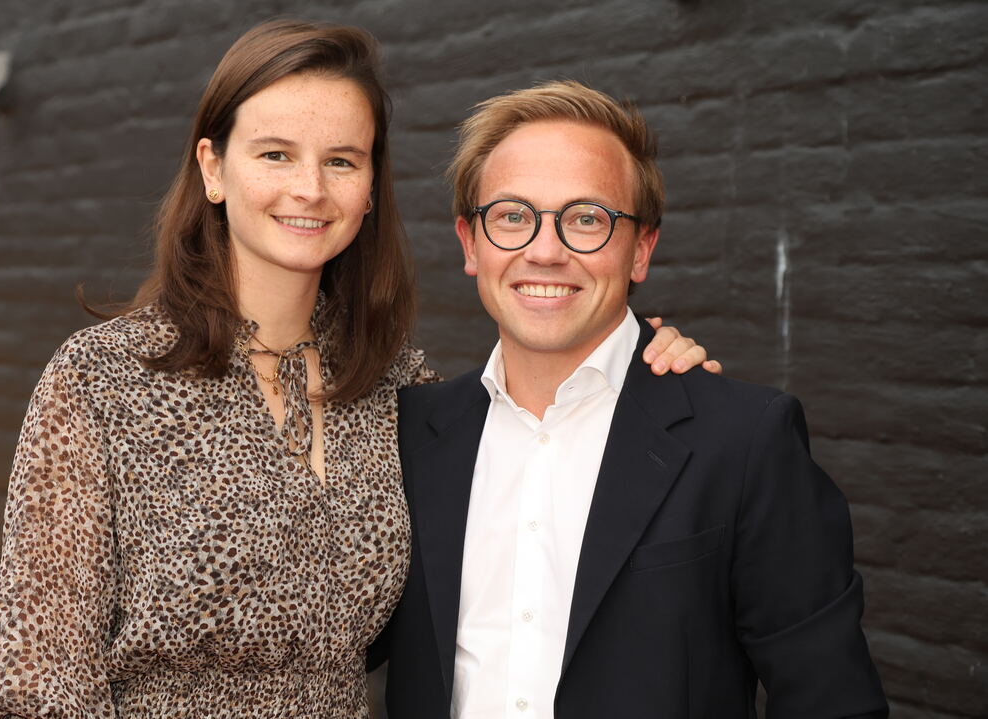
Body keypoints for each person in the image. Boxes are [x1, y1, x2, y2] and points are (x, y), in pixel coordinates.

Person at [0, 22, 714, 718]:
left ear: (369, 190)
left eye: (341, 161)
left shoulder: (399, 387)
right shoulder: (105, 379)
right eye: (275, 154)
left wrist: (641, 364)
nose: (310, 189)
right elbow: (30, 680)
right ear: (213, 168)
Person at [373, 81, 890, 718]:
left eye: (587, 219)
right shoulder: (409, 434)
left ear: (640, 249)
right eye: (511, 216)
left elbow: (830, 699)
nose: (545, 251)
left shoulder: (743, 442)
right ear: (470, 242)